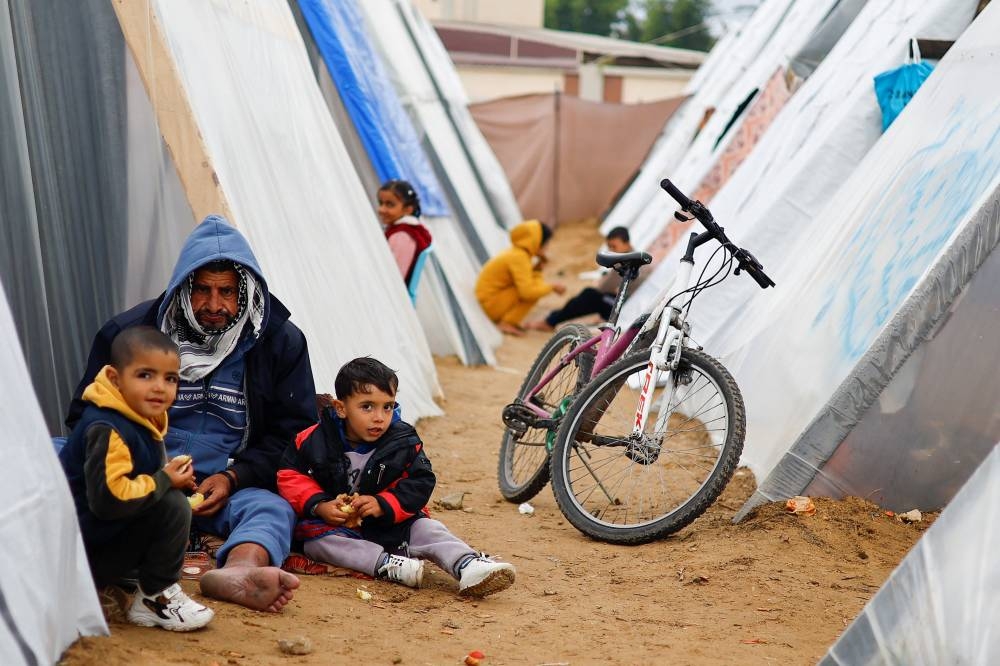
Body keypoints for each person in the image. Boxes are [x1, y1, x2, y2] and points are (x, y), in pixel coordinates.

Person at [66, 215, 315, 613]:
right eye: (201, 290)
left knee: (272, 508)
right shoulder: (132, 333)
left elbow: (295, 434)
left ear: (245, 290)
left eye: (227, 292)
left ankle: (239, 571)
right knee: (56, 455)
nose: (214, 305)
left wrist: (235, 477)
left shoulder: (277, 342)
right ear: (183, 286)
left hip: (224, 484)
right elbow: (86, 415)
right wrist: (147, 470)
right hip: (140, 476)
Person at [277, 357, 516, 598]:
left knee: (429, 529)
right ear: (341, 408)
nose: (379, 417)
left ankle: (467, 564)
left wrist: (383, 504)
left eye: (388, 406)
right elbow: (289, 474)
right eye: (367, 407)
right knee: (317, 544)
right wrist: (319, 505)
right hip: (335, 525)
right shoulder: (314, 439)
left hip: (394, 523)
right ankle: (387, 565)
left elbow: (420, 481)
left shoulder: (402, 441)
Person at [58, 326, 214, 631]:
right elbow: (109, 501)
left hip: (94, 540)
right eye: (145, 375)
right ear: (116, 379)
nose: (160, 387)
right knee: (172, 505)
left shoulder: (135, 416)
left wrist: (169, 476)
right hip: (75, 552)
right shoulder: (107, 426)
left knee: (170, 498)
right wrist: (164, 481)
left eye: (170, 378)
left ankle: (118, 581)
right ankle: (155, 597)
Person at [526, 226, 648, 332]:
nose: (611, 250)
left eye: (614, 246)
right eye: (609, 247)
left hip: (625, 307)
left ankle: (550, 321)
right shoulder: (632, 259)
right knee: (588, 296)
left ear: (626, 243)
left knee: (589, 295)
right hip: (622, 303)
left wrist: (606, 285)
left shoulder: (628, 261)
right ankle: (552, 319)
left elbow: (604, 287)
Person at [475, 219, 565, 336]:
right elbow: (527, 292)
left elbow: (532, 283)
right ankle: (506, 323)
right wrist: (552, 287)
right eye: (546, 244)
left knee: (535, 288)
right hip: (489, 305)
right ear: (537, 241)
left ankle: (508, 321)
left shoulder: (517, 253)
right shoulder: (519, 258)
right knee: (534, 293)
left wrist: (538, 270)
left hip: (489, 300)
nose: (546, 248)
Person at [378, 179, 432, 287]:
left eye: (390, 205)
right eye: (381, 203)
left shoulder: (402, 236)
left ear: (408, 210)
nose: (381, 209)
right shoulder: (414, 228)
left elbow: (393, 278)